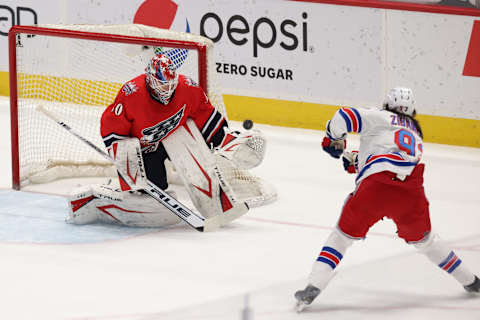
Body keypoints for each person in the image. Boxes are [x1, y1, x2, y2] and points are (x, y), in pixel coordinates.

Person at [294, 87, 479, 311]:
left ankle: (314, 285)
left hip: (375, 189)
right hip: (411, 193)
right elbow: (389, 153)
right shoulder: (415, 133)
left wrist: (334, 139)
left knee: (341, 238)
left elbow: (344, 116)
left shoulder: (382, 116)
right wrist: (356, 162)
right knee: (427, 242)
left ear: (387, 104)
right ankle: (471, 281)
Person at [66, 53, 265, 227]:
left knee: (190, 136)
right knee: (152, 200)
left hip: (175, 138)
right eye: (161, 84)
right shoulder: (131, 94)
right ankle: (99, 197)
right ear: (150, 80)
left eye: (170, 84)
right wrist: (126, 161)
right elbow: (112, 128)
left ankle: (215, 201)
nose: (166, 89)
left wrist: (226, 140)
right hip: (145, 149)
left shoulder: (188, 88)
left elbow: (205, 116)